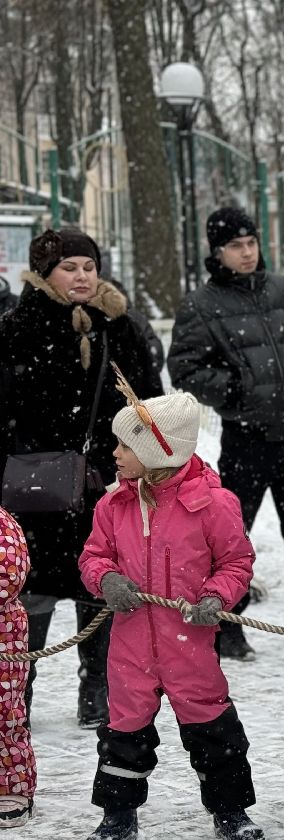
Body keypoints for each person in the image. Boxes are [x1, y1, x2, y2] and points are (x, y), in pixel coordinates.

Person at [77, 386, 262, 840]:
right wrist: (106, 579)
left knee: (212, 729)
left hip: (191, 643)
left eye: (125, 446)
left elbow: (236, 563)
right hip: (131, 646)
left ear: (158, 451)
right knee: (124, 733)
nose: (114, 453)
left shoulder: (214, 504)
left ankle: (230, 810)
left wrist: (216, 597)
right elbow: (93, 556)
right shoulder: (111, 505)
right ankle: (117, 816)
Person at [0, 228, 162, 730]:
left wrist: (143, 459)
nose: (82, 276)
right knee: (30, 594)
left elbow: (151, 403)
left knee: (102, 584)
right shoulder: (16, 329)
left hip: (105, 484)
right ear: (45, 273)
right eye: (70, 267)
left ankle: (97, 686)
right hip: (32, 489)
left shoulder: (120, 328)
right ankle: (16, 692)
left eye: (88, 266)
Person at [168, 206, 284, 661]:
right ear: (217, 252)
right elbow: (184, 368)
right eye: (235, 247)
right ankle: (228, 624)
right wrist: (236, 390)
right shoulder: (201, 306)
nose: (246, 253)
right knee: (230, 535)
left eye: (251, 243)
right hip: (245, 436)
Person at [0, 507, 36, 826]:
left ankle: (12, 784)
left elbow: (9, 574)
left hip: (3, 634)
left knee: (5, 715)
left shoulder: (3, 525)